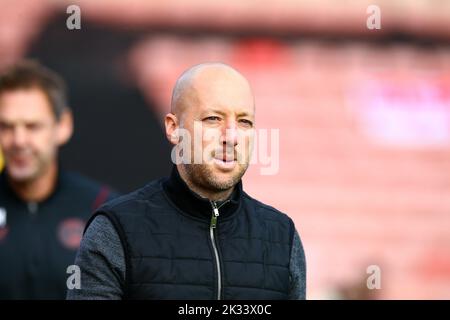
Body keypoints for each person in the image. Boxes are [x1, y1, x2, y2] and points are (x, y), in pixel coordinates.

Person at [68, 62, 306, 300]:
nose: (231, 137)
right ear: (173, 128)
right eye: (213, 118)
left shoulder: (282, 237)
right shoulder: (116, 230)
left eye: (244, 122)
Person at [0, 60, 118, 299]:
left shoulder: (103, 208)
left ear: (63, 126)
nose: (18, 140)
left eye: (32, 126)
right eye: (6, 126)